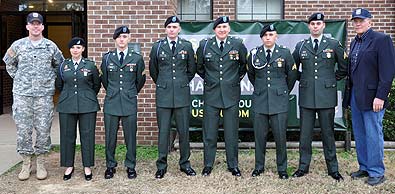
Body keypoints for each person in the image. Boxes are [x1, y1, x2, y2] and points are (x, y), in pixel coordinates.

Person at [3, 12, 64, 181]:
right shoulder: (18, 45)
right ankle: (25, 163)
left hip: (44, 96)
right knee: (23, 130)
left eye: (38, 23)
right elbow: (9, 63)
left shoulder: (50, 46)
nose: (35, 26)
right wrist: (20, 78)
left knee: (43, 129)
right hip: (22, 95)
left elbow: (59, 66)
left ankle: (41, 163)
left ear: (43, 27)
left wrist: (49, 79)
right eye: (32, 23)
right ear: (27, 26)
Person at [291, 13, 348, 181]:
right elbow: (294, 68)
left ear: (324, 26)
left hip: (326, 96)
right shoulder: (301, 46)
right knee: (305, 135)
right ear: (309, 26)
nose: (315, 26)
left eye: (318, 23)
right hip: (307, 96)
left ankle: (333, 169)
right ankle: (303, 167)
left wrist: (331, 80)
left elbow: (344, 67)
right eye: (313, 24)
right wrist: (304, 79)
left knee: (328, 134)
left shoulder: (333, 44)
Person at [345, 8, 395, 186]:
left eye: (361, 20)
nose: (358, 23)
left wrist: (380, 96)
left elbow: (388, 72)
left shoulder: (382, 40)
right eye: (355, 21)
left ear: (370, 22)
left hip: (374, 98)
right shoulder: (354, 43)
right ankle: (364, 166)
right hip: (356, 97)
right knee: (360, 134)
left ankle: (377, 171)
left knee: (373, 134)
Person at [196, 16, 247, 177]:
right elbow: (200, 68)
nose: (222, 30)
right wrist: (212, 81)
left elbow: (243, 66)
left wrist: (231, 81)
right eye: (219, 27)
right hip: (211, 94)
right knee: (209, 133)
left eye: (225, 27)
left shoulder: (237, 44)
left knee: (231, 133)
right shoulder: (205, 45)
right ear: (214, 30)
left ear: (229, 29)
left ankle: (233, 165)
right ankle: (208, 165)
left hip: (231, 94)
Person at [247, 24, 298, 179]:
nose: (268, 38)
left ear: (276, 36)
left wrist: (282, 92)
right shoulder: (254, 54)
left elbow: (292, 75)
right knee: (259, 137)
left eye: (271, 35)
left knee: (280, 137)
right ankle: (259, 167)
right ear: (261, 37)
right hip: (260, 100)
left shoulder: (285, 53)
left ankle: (282, 169)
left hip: (279, 101)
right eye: (265, 35)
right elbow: (251, 75)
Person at [149, 16, 197, 179]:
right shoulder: (157, 47)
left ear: (179, 29)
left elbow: (191, 69)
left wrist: (180, 83)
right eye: (169, 26)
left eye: (175, 27)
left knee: (183, 131)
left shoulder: (187, 46)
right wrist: (164, 83)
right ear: (165, 29)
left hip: (182, 94)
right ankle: (161, 165)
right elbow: (153, 71)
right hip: (163, 93)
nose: (172, 29)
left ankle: (185, 164)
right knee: (163, 131)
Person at [100, 26, 146, 179]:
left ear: (129, 39)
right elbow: (105, 80)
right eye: (119, 37)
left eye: (125, 36)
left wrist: (130, 92)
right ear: (115, 39)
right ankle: (110, 166)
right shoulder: (107, 58)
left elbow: (140, 80)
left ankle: (131, 166)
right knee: (110, 137)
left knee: (131, 137)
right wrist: (114, 91)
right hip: (111, 101)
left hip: (129, 101)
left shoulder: (137, 58)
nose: (122, 39)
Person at [55, 37, 100, 181]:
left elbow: (96, 85)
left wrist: (86, 95)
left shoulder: (90, 65)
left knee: (87, 135)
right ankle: (69, 165)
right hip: (67, 104)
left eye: (79, 47)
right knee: (67, 135)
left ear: (83, 49)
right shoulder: (63, 66)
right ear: (70, 50)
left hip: (87, 104)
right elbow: (59, 85)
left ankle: (87, 166)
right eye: (73, 47)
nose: (76, 50)